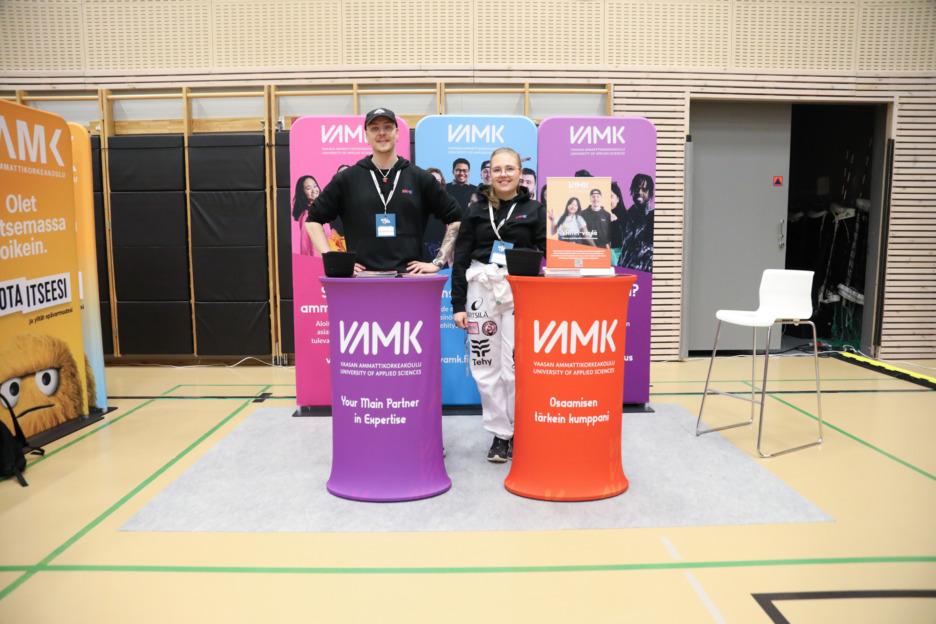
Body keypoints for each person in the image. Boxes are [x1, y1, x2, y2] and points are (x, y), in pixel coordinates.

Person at [452, 147, 546, 463]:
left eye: (509, 169)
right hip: (480, 289)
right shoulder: (476, 210)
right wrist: (458, 304)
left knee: (514, 367)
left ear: (520, 173)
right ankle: (500, 434)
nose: (503, 175)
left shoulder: (534, 209)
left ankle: (520, 428)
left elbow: (549, 250)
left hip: (519, 289)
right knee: (484, 366)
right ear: (489, 174)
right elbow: (461, 257)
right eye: (497, 169)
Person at [306, 108, 461, 273]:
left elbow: (456, 218)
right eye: (374, 128)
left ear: (397, 133)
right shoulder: (347, 179)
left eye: (388, 127)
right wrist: (335, 262)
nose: (381, 133)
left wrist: (438, 261)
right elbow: (313, 220)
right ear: (366, 135)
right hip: (361, 280)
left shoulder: (419, 178)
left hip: (407, 279)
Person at [618, 173, 654, 272]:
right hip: (625, 271)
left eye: (644, 189)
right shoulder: (626, 216)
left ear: (650, 193)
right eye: (637, 189)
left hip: (644, 273)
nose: (640, 192)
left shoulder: (654, 217)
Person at [292, 174, 320, 256]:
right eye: (308, 188)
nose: (314, 190)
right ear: (302, 193)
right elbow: (309, 246)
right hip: (319, 259)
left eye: (315, 186)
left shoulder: (319, 209)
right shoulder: (307, 216)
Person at [608, 182, 626, 265]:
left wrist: (616, 222)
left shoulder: (627, 217)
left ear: (618, 199)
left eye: (611, 197)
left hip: (618, 257)